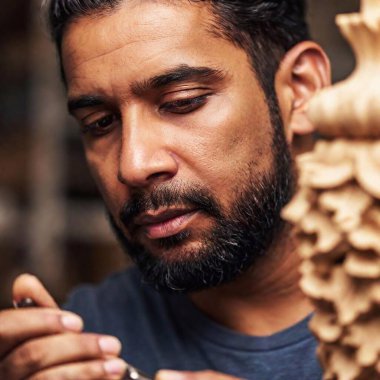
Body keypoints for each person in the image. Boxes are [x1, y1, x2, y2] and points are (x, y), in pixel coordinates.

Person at [0, 0, 331, 379]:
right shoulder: (85, 342)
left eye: (182, 103)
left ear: (301, 89)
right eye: (100, 123)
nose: (133, 165)